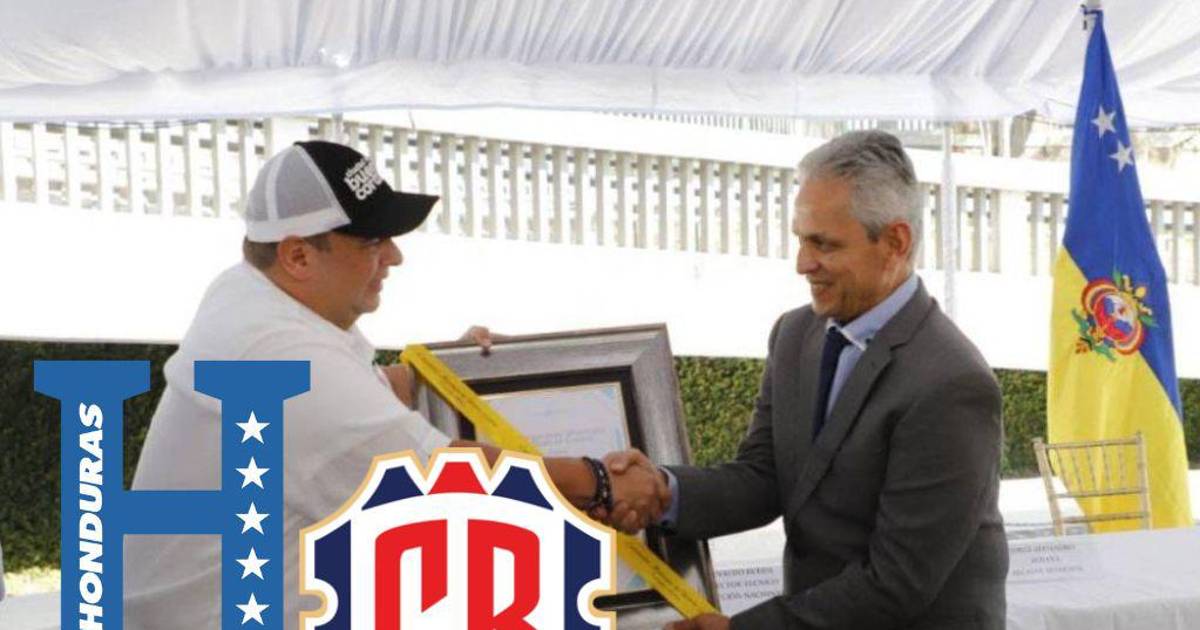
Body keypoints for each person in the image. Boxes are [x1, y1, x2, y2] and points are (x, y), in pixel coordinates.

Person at [124, 140, 667, 629]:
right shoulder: (276, 355)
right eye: (372, 241)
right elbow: (449, 480)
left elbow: (364, 390)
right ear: (297, 255)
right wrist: (599, 482)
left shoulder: (252, 297)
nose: (395, 256)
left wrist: (461, 376)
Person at [609, 131, 1007, 629]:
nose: (803, 264)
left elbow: (897, 581)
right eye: (801, 240)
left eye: (824, 244)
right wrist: (662, 492)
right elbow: (764, 478)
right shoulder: (797, 335)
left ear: (895, 243)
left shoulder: (952, 384)